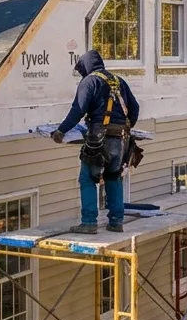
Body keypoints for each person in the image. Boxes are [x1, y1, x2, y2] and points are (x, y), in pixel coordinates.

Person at [51, 50, 140, 233]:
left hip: (99, 139)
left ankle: (89, 222)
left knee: (88, 178)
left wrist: (61, 130)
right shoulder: (118, 81)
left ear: (86, 66)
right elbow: (135, 108)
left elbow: (78, 109)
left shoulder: (90, 81)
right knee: (113, 176)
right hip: (122, 139)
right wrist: (125, 126)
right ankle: (116, 221)